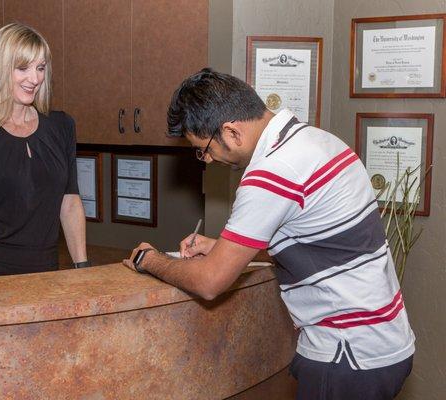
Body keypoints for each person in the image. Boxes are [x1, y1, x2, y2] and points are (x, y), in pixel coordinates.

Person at [123, 68, 414, 399]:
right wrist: (222, 248)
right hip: (384, 343)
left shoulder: (271, 172)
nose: (207, 160)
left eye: (202, 149)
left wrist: (150, 259)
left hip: (345, 355)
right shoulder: (318, 141)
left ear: (231, 131)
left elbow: (210, 282)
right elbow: (321, 242)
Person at [0, 23, 88, 278]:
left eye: (40, 68)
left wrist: (82, 269)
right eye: (22, 68)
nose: (34, 79)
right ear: (0, 70)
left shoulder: (61, 126)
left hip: (45, 273)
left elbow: (69, 203)